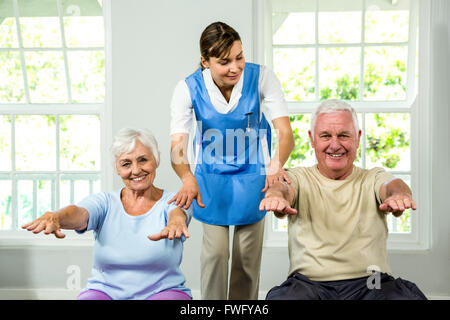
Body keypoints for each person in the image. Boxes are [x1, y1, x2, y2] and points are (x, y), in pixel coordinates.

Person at [169, 21, 294, 300]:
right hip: (211, 183)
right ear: (205, 61)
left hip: (254, 180)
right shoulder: (187, 88)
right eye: (224, 62)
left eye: (239, 57)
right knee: (215, 255)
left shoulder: (261, 78)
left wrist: (275, 165)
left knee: (246, 261)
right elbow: (178, 146)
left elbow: (285, 133)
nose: (235, 67)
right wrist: (187, 178)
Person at [260, 99, 427, 300]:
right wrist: (277, 196)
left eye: (343, 135)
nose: (335, 144)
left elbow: (392, 184)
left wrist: (399, 195)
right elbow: (284, 187)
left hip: (370, 283)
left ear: (357, 138)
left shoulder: (372, 177)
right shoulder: (299, 177)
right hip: (309, 284)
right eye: (325, 136)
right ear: (312, 139)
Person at [22, 128, 193, 300]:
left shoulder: (173, 200)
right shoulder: (105, 202)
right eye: (126, 164)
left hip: (162, 292)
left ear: (156, 160)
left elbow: (177, 213)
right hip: (106, 292)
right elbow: (79, 213)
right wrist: (57, 216)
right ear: (117, 169)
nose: (136, 170)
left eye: (143, 160)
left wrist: (175, 222)